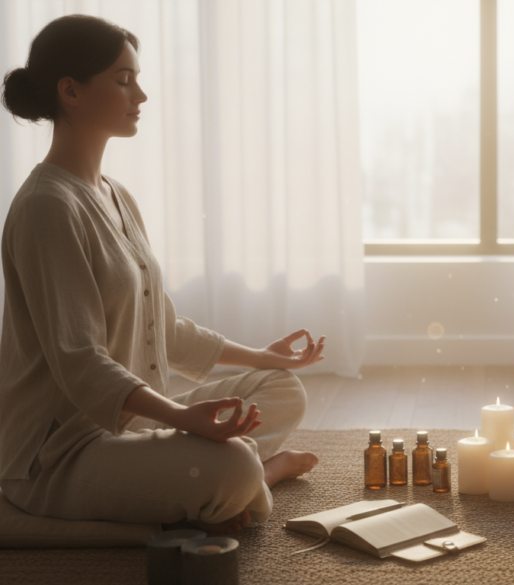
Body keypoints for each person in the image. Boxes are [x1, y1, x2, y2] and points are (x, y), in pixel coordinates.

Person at [0, 14, 323, 535]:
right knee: (234, 464)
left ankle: (227, 485)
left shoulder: (116, 195)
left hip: (138, 420)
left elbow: (163, 328)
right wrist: (183, 420)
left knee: (282, 387)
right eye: (124, 80)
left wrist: (262, 356)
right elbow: (80, 363)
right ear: (71, 91)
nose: (141, 95)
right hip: (62, 453)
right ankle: (254, 475)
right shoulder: (47, 209)